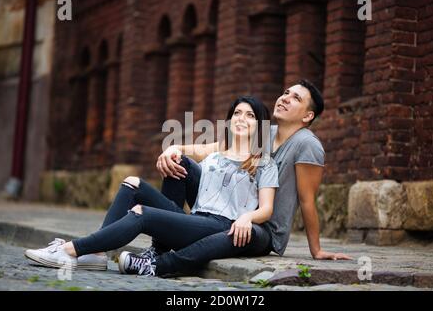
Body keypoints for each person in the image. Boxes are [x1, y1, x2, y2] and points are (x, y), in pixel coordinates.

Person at [121, 79, 352, 277]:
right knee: (179, 164)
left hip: (262, 226)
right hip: (232, 210)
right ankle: (159, 248)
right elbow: (216, 148)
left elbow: (307, 199)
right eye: (285, 93)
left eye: (296, 98)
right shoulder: (265, 132)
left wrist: (317, 250)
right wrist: (175, 149)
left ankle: (158, 266)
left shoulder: (307, 144)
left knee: (231, 233)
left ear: (308, 115)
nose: (285, 98)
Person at [24, 96, 279, 276]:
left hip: (222, 226)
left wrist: (247, 217)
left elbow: (266, 209)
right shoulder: (218, 149)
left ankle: (71, 250)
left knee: (142, 214)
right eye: (237, 113)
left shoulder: (262, 162)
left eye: (250, 115)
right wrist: (171, 150)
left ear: (260, 124)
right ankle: (96, 254)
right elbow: (184, 149)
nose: (241, 118)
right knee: (136, 181)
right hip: (195, 220)